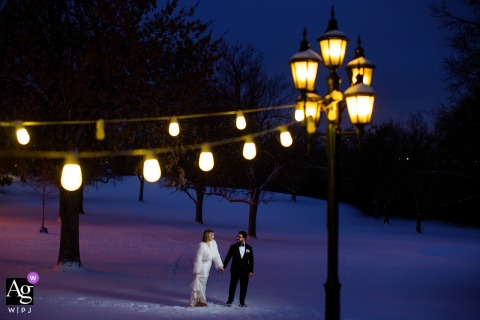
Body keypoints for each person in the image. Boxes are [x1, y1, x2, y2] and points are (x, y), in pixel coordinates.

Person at [189, 229, 224, 307]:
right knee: (199, 284)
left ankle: (200, 300)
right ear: (207, 235)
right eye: (212, 235)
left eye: (213, 235)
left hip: (207, 267)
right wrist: (196, 270)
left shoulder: (213, 243)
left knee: (203, 285)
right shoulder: (201, 245)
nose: (213, 237)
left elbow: (216, 255)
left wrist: (220, 266)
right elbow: (198, 258)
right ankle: (197, 301)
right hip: (201, 267)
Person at [223, 231, 254, 307]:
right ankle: (229, 301)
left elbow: (251, 260)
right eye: (237, 236)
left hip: (245, 271)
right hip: (235, 270)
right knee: (232, 286)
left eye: (239, 237)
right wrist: (223, 266)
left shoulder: (249, 248)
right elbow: (228, 257)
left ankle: (242, 302)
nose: (237, 238)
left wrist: (251, 270)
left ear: (244, 238)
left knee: (244, 287)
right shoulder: (233, 246)